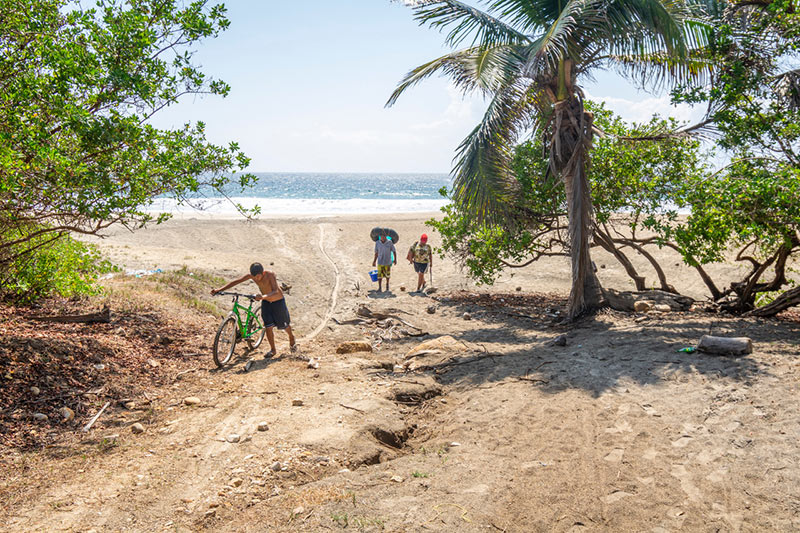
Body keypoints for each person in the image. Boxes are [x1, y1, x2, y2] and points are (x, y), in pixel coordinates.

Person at [210, 262, 296, 357]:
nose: (256, 279)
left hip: (277, 301)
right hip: (266, 302)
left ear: (262, 273)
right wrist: (219, 289)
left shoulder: (270, 275)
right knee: (268, 327)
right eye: (254, 277)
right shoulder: (252, 276)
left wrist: (263, 296)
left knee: (285, 326)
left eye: (258, 276)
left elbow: (275, 291)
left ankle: (291, 338)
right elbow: (236, 281)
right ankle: (273, 350)